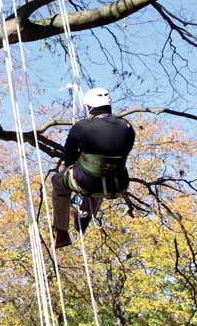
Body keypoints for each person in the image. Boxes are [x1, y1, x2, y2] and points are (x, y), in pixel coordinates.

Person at [51, 87, 135, 249]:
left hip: (88, 181)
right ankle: (84, 218)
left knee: (59, 181)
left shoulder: (81, 127)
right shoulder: (127, 127)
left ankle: (61, 232)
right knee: (101, 175)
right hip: (117, 184)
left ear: (88, 107)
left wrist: (72, 165)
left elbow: (69, 156)